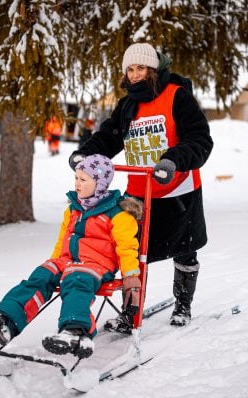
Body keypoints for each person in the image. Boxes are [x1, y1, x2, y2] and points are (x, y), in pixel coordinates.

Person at [69, 43, 213, 331]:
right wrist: (87, 153)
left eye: (141, 69)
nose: (135, 75)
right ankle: (129, 312)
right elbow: (109, 137)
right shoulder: (127, 105)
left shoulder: (177, 96)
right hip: (138, 193)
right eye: (130, 69)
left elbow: (200, 139)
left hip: (177, 190)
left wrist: (173, 159)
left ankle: (183, 305)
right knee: (131, 252)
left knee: (184, 249)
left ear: (153, 70)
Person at [0, 154, 143, 359]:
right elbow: (62, 242)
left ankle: (76, 331)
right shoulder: (73, 209)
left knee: (76, 280)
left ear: (100, 184)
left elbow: (127, 248)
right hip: (67, 260)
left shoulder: (119, 214)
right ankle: (5, 322)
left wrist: (132, 279)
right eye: (76, 178)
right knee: (40, 276)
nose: (77, 184)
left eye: (83, 180)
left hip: (97, 265)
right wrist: (52, 265)